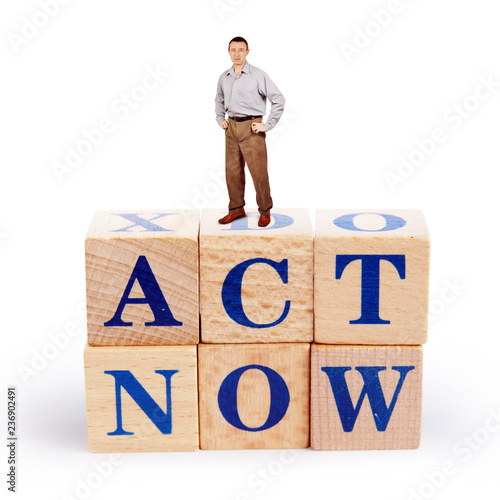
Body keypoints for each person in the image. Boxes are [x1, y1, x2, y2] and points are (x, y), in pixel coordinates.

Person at [215, 36, 285, 227]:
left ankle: (264, 210)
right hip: (231, 128)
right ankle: (236, 209)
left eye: (241, 50)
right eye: (233, 50)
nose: (237, 54)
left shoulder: (258, 75)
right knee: (232, 171)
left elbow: (278, 99)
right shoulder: (224, 77)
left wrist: (267, 124)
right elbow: (218, 99)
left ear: (247, 52)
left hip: (252, 128)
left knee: (258, 172)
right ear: (228, 52)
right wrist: (220, 118)